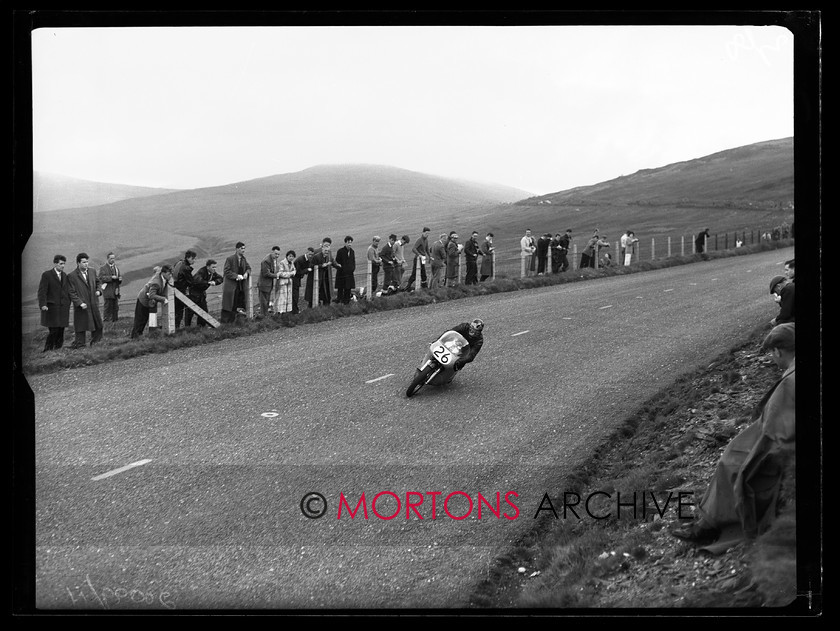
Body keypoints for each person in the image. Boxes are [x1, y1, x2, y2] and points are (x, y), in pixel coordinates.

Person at [671, 323, 795, 552]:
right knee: (732, 455)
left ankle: (709, 525)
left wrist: (755, 451)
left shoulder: (790, 381)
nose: (772, 359)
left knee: (730, 463)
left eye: (771, 354)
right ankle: (707, 519)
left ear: (778, 351)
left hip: (779, 449)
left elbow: (777, 434)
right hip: (776, 439)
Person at [67, 252, 104, 348]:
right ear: (78, 263)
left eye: (87, 262)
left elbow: (98, 282)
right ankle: (80, 345)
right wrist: (79, 303)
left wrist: (99, 291)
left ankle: (96, 344)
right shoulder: (72, 276)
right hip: (82, 306)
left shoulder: (92, 271)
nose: (86, 264)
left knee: (98, 323)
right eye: (84, 262)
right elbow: (71, 292)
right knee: (81, 326)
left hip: (93, 303)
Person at [37, 254, 72, 351]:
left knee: (61, 330)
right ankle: (47, 351)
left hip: (63, 308)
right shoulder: (47, 275)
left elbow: (66, 291)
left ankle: (58, 350)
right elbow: (42, 291)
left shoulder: (64, 275)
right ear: (55, 263)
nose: (63, 266)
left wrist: (68, 303)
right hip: (52, 308)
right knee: (53, 330)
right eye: (61, 264)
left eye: (64, 264)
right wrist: (43, 304)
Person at [131, 264, 173, 338]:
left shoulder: (161, 273)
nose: (170, 276)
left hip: (150, 301)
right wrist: (163, 299)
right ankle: (135, 337)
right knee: (140, 321)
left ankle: (138, 337)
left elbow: (157, 269)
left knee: (146, 319)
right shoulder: (156, 283)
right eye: (169, 274)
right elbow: (152, 295)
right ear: (163, 273)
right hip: (143, 301)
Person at [221, 242, 251, 323]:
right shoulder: (230, 259)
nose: (243, 250)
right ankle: (226, 323)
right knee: (229, 305)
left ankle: (236, 322)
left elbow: (248, 268)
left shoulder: (243, 259)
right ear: (237, 249)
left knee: (239, 304)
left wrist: (246, 273)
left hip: (240, 287)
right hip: (231, 287)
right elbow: (226, 271)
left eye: (244, 248)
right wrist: (236, 276)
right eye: (242, 248)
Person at [187, 259, 223, 327]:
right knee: (189, 313)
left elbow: (221, 278)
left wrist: (215, 282)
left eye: (215, 267)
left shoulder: (212, 273)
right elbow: (197, 280)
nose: (214, 269)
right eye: (213, 267)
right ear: (208, 267)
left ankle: (200, 327)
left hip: (201, 295)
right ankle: (186, 329)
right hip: (193, 295)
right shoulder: (202, 271)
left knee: (204, 312)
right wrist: (208, 282)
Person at [311, 237, 340, 305]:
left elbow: (332, 260)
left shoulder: (329, 252)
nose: (327, 246)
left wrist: (337, 265)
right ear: (322, 244)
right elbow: (312, 264)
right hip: (319, 275)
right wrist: (321, 265)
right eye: (326, 245)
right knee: (318, 289)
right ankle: (316, 304)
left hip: (327, 274)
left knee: (327, 289)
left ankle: (326, 304)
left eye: (329, 245)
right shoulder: (316, 251)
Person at [173, 250, 197, 328]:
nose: (194, 260)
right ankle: (177, 328)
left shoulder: (179, 263)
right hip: (180, 291)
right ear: (188, 258)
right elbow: (191, 282)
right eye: (193, 258)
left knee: (175, 311)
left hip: (174, 289)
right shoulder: (186, 268)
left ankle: (174, 328)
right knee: (180, 311)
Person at [97, 251, 123, 322]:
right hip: (108, 291)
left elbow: (118, 280)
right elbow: (101, 278)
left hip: (115, 292)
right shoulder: (103, 268)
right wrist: (111, 278)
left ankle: (115, 323)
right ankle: (106, 323)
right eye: (111, 258)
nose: (113, 260)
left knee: (115, 308)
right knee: (108, 307)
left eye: (114, 258)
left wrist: (119, 279)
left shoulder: (116, 268)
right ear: (107, 259)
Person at [258, 246, 282, 317]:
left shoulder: (273, 259)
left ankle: (265, 316)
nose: (277, 256)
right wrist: (276, 275)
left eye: (278, 254)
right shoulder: (266, 261)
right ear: (272, 252)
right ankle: (263, 317)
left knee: (266, 302)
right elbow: (266, 273)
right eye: (276, 254)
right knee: (263, 303)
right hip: (264, 284)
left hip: (268, 284)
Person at [335, 236, 356, 304]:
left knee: (348, 288)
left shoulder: (352, 251)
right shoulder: (340, 251)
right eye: (348, 242)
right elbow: (337, 261)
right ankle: (339, 301)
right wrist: (342, 269)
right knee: (340, 288)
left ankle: (347, 301)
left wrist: (352, 268)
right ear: (345, 243)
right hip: (341, 273)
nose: (349, 244)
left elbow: (353, 261)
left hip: (349, 273)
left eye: (351, 242)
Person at [293, 247, 315, 312]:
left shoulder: (308, 260)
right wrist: (307, 270)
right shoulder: (300, 260)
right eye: (309, 254)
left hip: (298, 279)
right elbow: (297, 272)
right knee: (295, 295)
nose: (311, 256)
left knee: (296, 295)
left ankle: (295, 310)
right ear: (307, 252)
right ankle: (295, 311)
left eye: (312, 255)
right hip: (294, 279)